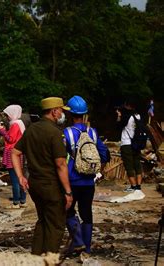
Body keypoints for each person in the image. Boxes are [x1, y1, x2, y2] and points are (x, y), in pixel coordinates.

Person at [12, 97, 73, 255]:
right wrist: (68, 191)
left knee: (43, 221)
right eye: (61, 110)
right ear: (54, 111)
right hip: (51, 185)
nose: (62, 114)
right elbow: (60, 164)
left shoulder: (31, 129)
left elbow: (15, 152)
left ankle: (36, 258)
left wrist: (20, 177)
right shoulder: (55, 133)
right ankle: (49, 260)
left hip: (35, 184)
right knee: (56, 225)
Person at [63, 96, 109, 257]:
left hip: (72, 180)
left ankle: (78, 241)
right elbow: (105, 154)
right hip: (89, 181)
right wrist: (98, 171)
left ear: (70, 114)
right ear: (84, 115)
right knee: (86, 213)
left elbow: (60, 159)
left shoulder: (67, 133)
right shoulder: (93, 133)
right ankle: (87, 249)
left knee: (68, 211)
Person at [0, 105, 26, 207]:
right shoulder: (20, 124)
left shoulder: (15, 125)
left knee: (15, 179)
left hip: (12, 154)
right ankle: (22, 199)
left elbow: (10, 139)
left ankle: (16, 201)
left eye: (7, 115)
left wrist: (2, 131)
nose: (7, 117)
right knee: (20, 177)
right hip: (19, 153)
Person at [117, 100, 143, 192]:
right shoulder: (138, 116)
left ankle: (133, 186)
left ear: (128, 106)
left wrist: (119, 115)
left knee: (129, 165)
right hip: (136, 143)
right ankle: (138, 186)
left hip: (127, 143)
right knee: (137, 164)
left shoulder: (127, 116)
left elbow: (119, 125)